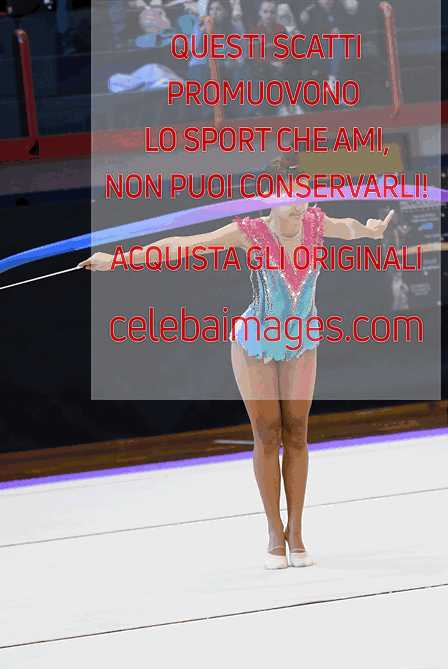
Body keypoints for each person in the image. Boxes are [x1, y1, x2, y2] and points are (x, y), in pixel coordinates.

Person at [78, 160, 393, 570]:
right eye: (290, 196)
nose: (300, 203)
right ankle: (274, 530)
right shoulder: (250, 233)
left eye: (305, 193)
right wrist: (117, 260)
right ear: (269, 198)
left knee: (298, 432)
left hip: (301, 339)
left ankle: (297, 531)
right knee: (268, 432)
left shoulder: (315, 225)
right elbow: (183, 245)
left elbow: (347, 227)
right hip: (256, 341)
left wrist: (370, 230)